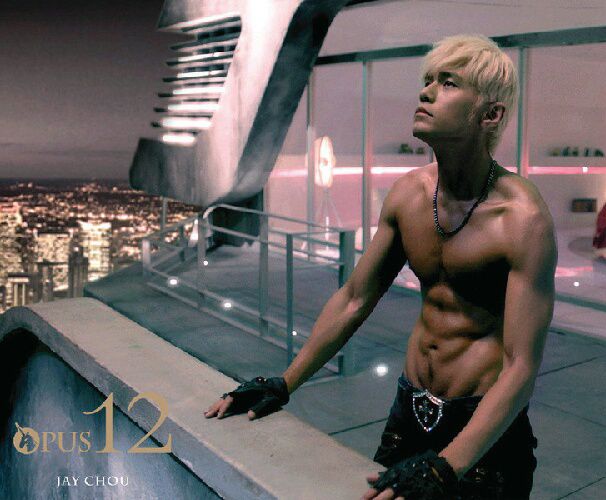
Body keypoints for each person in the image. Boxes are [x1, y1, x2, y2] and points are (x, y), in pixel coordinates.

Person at [204, 34, 557, 499]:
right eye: (428, 80)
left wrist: (446, 467)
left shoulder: (522, 219)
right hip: (409, 410)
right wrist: (284, 383)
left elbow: (520, 366)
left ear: (489, 114)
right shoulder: (409, 195)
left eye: (449, 83)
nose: (426, 92)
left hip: (482, 430)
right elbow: (355, 298)